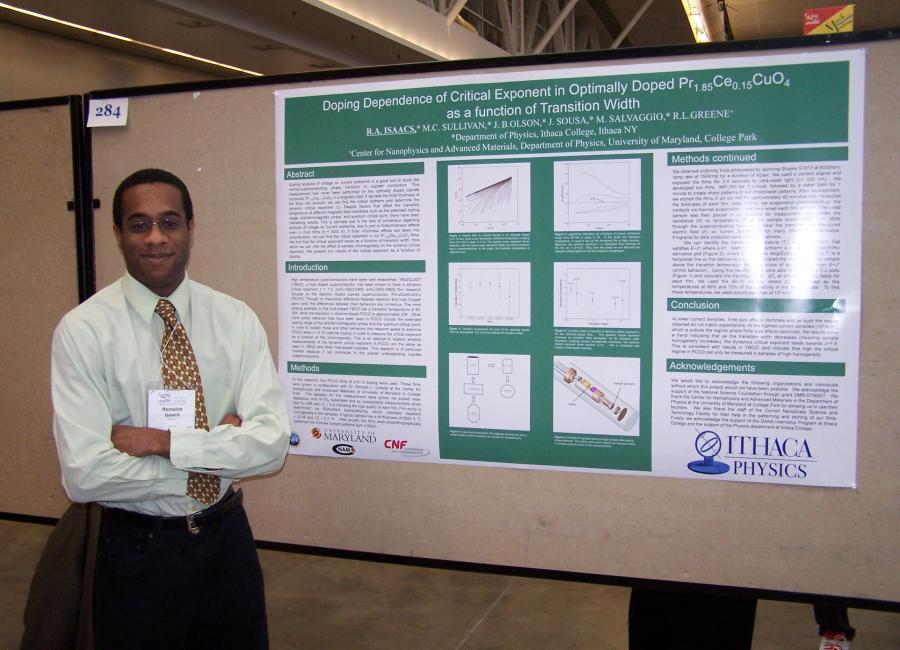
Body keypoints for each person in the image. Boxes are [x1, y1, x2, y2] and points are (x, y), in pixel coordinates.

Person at [50, 168, 290, 649]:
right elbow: (84, 474)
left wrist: (162, 444)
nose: (156, 238)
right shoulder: (83, 332)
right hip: (137, 553)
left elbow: (272, 445)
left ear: (190, 227)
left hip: (228, 544)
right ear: (117, 234)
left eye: (170, 222)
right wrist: (218, 455)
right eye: (139, 225)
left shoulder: (235, 319)